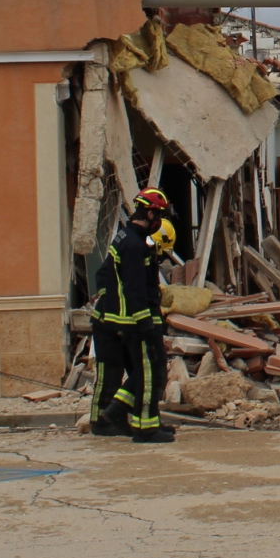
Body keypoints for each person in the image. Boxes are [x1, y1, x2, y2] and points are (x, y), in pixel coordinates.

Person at [88, 188, 175, 444]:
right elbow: (135, 288)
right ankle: (139, 426)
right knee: (147, 372)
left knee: (145, 371)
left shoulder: (125, 237)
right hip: (135, 322)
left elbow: (110, 277)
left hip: (127, 319)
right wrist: (145, 322)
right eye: (158, 216)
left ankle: (121, 415)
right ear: (150, 214)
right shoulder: (134, 245)